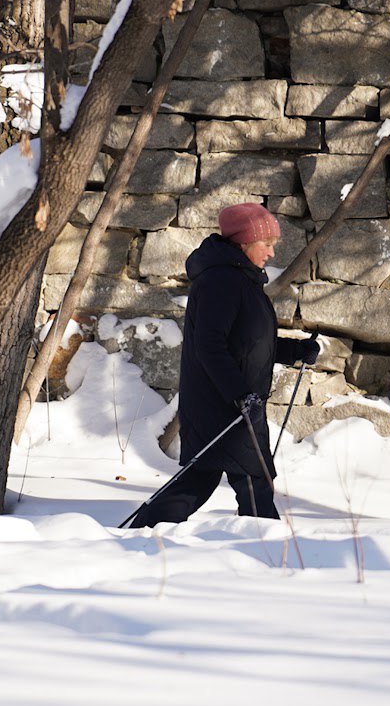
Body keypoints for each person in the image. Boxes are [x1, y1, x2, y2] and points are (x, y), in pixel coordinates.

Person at [129, 203, 319, 527]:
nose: (272, 253)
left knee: (209, 480)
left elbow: (246, 343)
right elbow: (209, 344)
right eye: (267, 244)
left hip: (234, 404)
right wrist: (241, 395)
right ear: (244, 243)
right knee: (247, 480)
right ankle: (268, 552)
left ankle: (143, 533)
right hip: (223, 405)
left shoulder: (242, 281)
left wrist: (294, 351)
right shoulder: (222, 282)